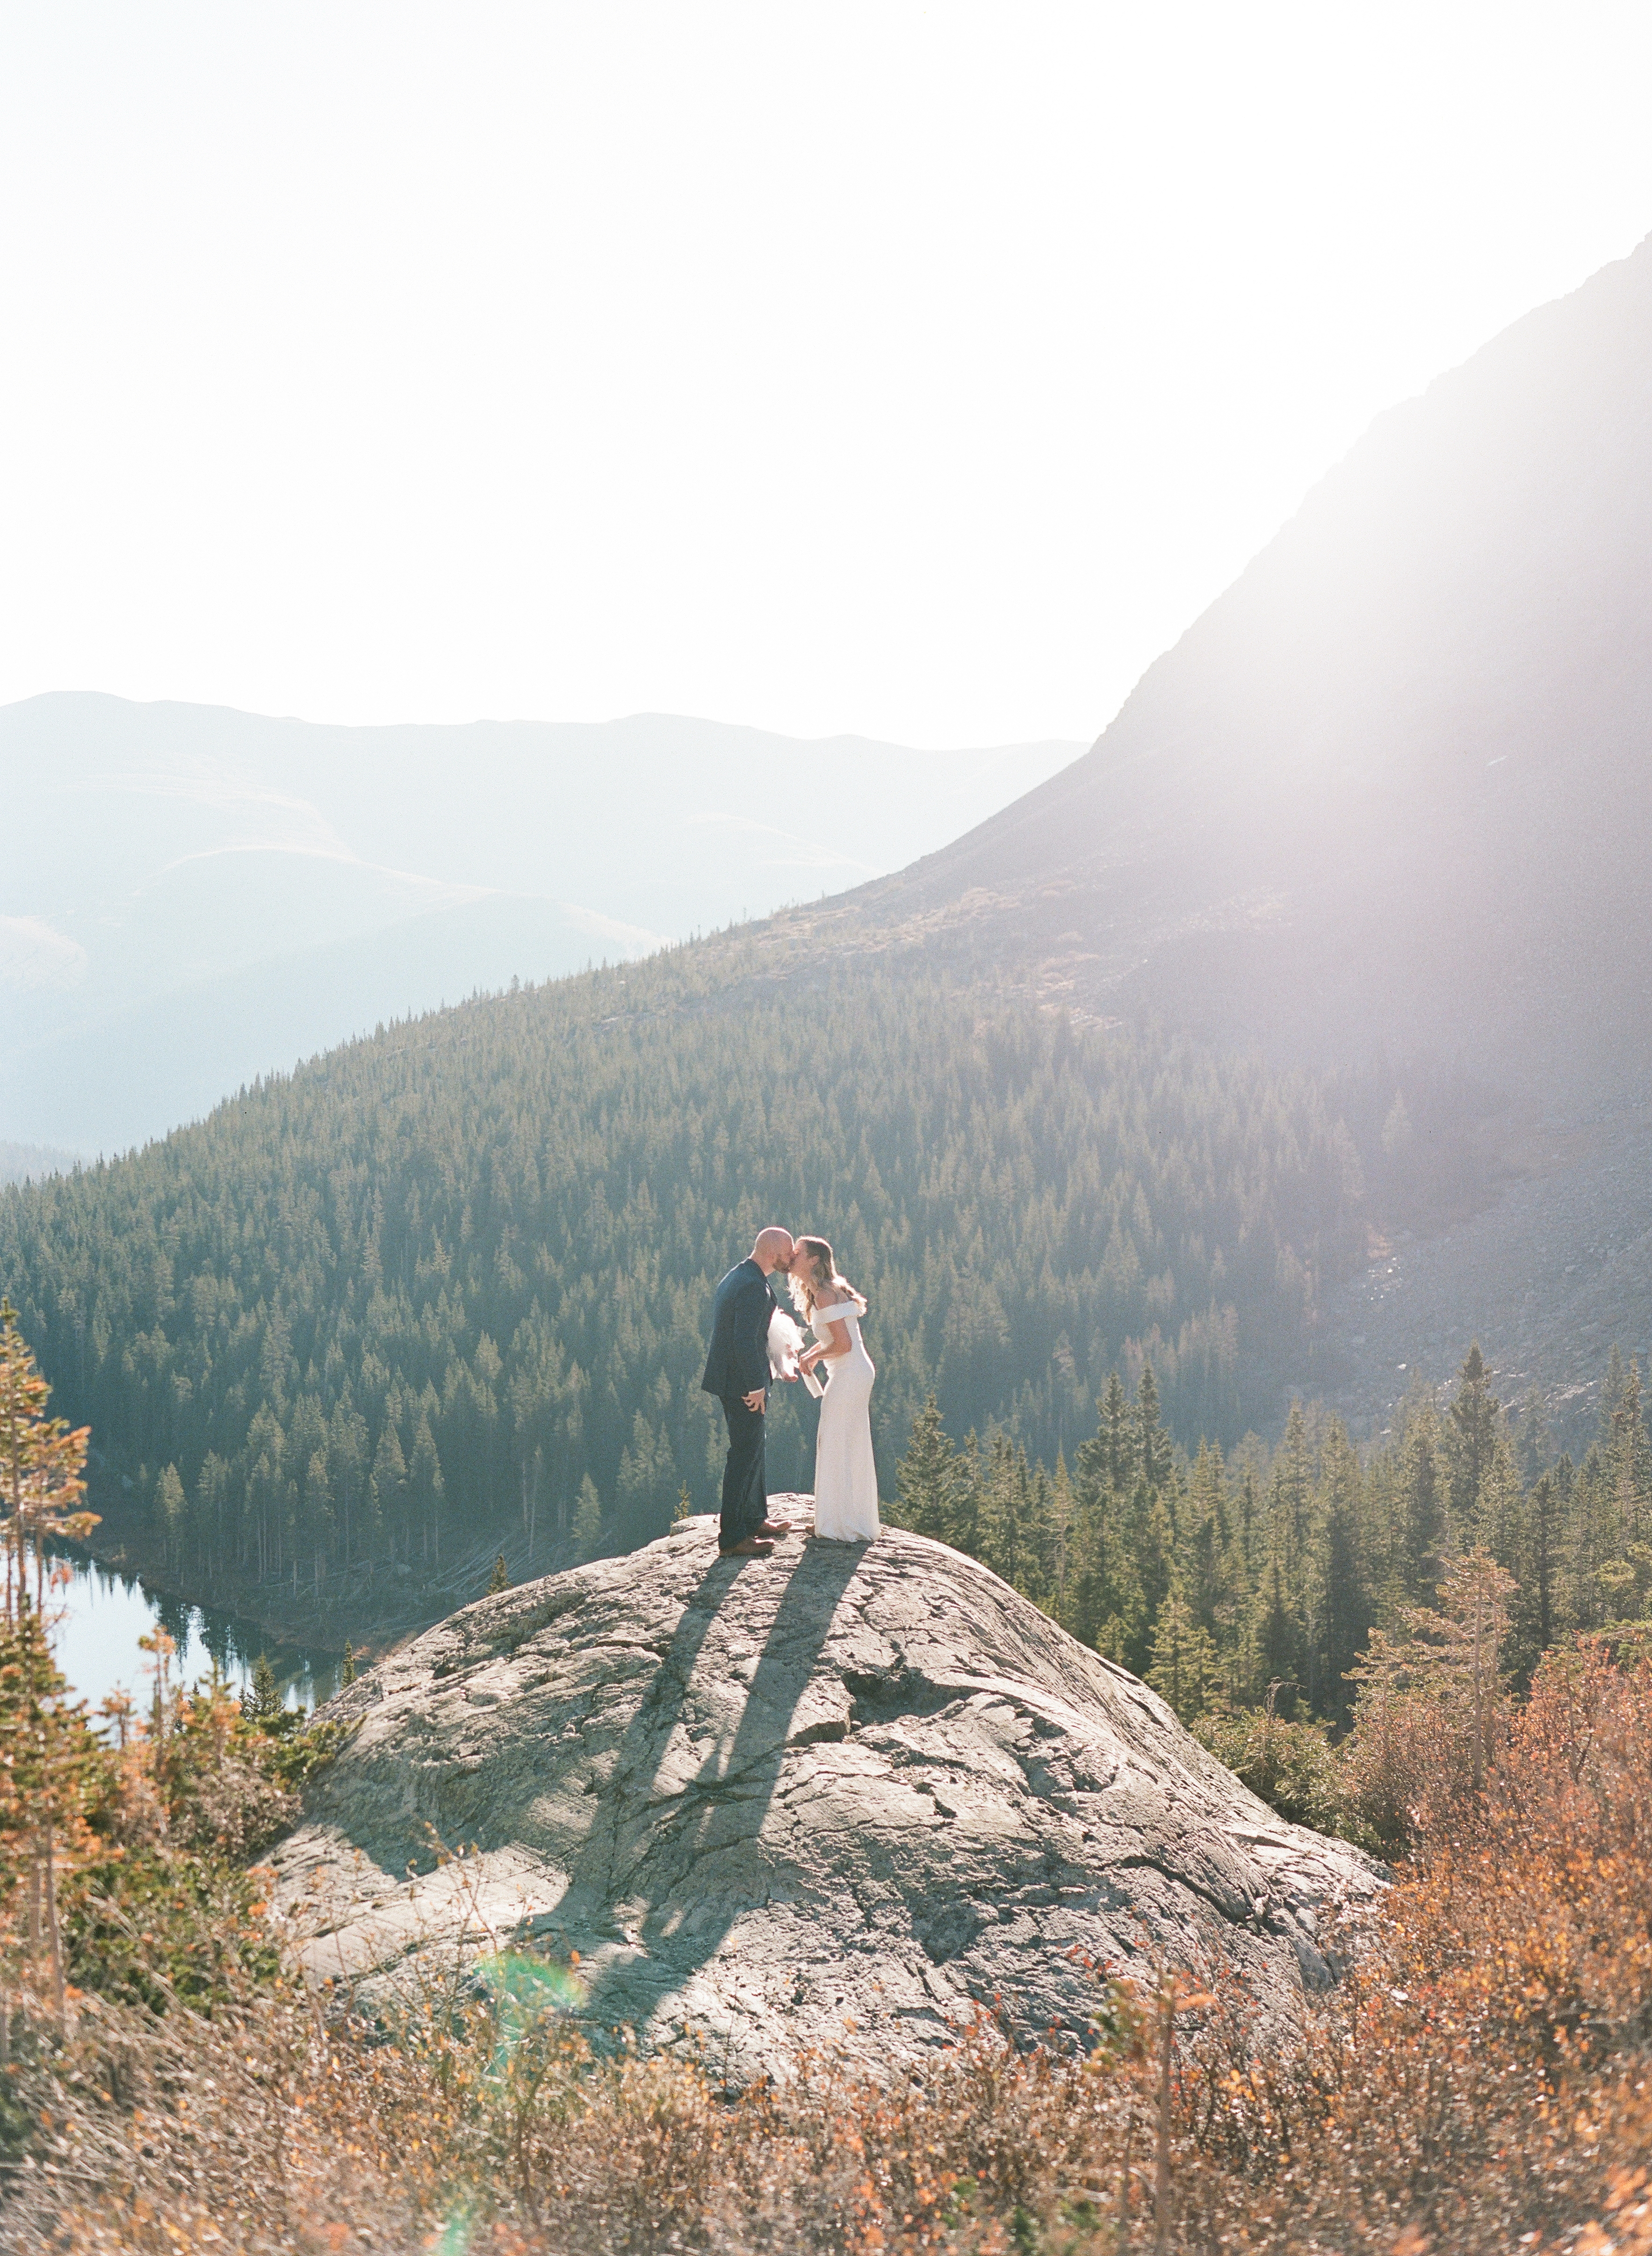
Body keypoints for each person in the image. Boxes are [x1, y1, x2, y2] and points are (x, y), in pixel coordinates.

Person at [700, 1227, 796, 1557]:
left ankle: (755, 1517)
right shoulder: (754, 1287)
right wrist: (756, 1386)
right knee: (743, 1453)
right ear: (772, 1253)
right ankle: (733, 1538)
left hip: (731, 1378)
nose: (792, 1258)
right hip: (742, 1384)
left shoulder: (739, 1275)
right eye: (788, 1252)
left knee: (754, 1446)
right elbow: (743, 1340)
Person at [791, 1235, 879, 1543]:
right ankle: (846, 1520)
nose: (792, 1255)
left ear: (813, 1259)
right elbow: (838, 1340)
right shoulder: (828, 1290)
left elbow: (842, 1344)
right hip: (854, 1372)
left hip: (849, 1373)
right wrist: (813, 1354)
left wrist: (813, 1355)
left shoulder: (825, 1294)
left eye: (797, 1252)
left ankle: (834, 1525)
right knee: (849, 1442)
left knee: (833, 1440)